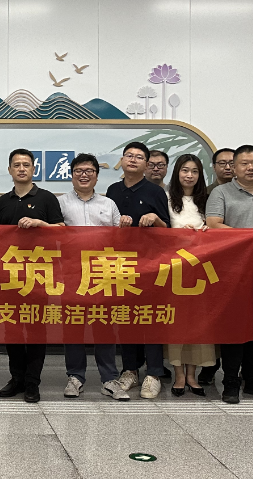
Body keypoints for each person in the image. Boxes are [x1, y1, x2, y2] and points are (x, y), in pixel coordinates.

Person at [205, 144, 253, 403]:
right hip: (232, 270)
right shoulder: (220, 192)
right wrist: (251, 235)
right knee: (233, 326)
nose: (251, 168)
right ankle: (230, 381)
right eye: (245, 163)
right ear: (234, 168)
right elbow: (213, 225)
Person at [56, 154, 130, 401]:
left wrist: (125, 225)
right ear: (71, 175)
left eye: (89, 170)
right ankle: (75, 377)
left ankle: (109, 379)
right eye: (79, 170)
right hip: (72, 273)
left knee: (104, 326)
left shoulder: (108, 204)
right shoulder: (61, 203)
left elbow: (120, 238)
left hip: (102, 273)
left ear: (97, 176)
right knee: (73, 326)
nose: (84, 175)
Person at [0, 149, 65, 403]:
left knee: (36, 329)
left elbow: (62, 231)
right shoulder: (2, 202)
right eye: (17, 165)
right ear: (10, 170)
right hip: (9, 275)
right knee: (11, 329)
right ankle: (17, 378)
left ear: (34, 169)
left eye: (26, 164)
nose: (21, 169)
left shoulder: (46, 198)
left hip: (38, 275)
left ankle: (33, 382)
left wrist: (40, 224)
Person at [105, 142, 169, 399]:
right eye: (129, 155)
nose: (133, 160)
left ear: (146, 164)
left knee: (150, 318)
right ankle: (130, 370)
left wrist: (155, 219)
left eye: (139, 157)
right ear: (122, 160)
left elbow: (168, 231)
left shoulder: (155, 191)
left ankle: (153, 373)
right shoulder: (112, 190)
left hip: (150, 265)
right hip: (120, 265)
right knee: (125, 318)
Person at [164, 154, 215, 397]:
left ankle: (193, 375)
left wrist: (206, 232)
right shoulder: (166, 198)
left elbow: (217, 228)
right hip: (174, 269)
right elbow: (160, 232)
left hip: (201, 269)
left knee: (198, 323)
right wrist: (177, 233)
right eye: (185, 170)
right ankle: (179, 374)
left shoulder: (208, 200)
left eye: (194, 171)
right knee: (176, 322)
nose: (189, 175)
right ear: (177, 172)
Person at [197, 147, 235, 385]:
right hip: (212, 263)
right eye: (222, 163)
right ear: (213, 167)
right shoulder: (206, 193)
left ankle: (246, 371)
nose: (227, 167)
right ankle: (211, 365)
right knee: (213, 317)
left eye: (232, 162)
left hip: (240, 262)